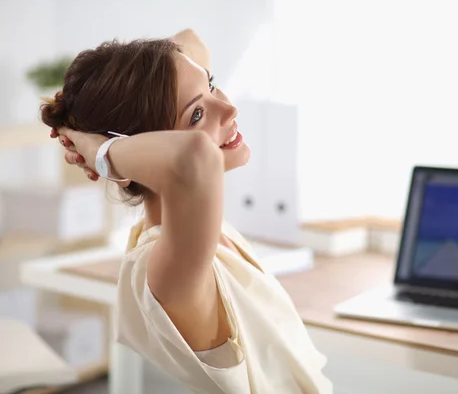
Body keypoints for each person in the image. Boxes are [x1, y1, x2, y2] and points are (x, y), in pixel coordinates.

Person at [41, 29, 333, 394]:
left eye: (212, 86)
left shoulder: (190, 233)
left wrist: (86, 129)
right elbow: (196, 157)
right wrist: (102, 153)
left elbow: (191, 42)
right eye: (196, 114)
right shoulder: (167, 271)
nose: (228, 109)